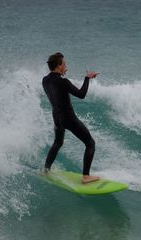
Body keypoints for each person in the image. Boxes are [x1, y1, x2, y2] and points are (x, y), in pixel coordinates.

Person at [42, 52, 100, 184]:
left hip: (56, 117)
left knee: (58, 143)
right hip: (68, 118)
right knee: (90, 143)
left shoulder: (45, 80)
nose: (66, 66)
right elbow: (81, 94)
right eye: (64, 64)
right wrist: (87, 78)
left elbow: (56, 93)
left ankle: (46, 169)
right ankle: (86, 176)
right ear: (58, 66)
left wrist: (62, 75)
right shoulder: (63, 81)